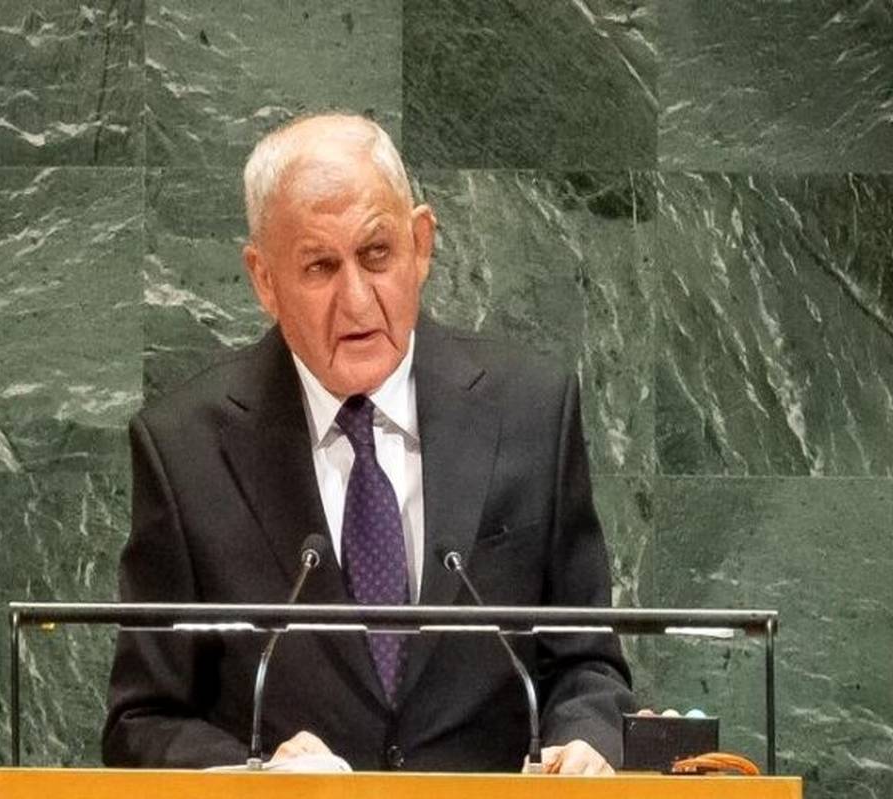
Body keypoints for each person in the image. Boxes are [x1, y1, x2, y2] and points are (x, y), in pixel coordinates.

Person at [102, 113, 634, 774]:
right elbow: (142, 721)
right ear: (264, 279)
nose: (356, 300)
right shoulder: (186, 449)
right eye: (320, 266)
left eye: (377, 254)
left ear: (421, 243)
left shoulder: (530, 410)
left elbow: (586, 666)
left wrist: (585, 743)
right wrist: (256, 774)